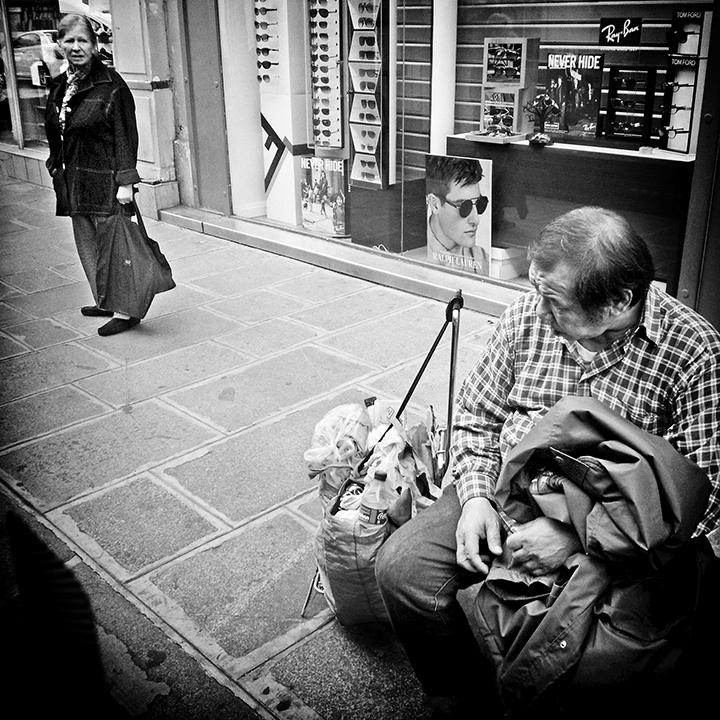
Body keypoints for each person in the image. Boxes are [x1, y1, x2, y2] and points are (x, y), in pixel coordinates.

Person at [376, 206, 720, 718]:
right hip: (506, 489)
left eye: (555, 300)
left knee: (595, 663)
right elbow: (475, 414)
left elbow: (702, 501)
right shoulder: (526, 317)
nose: (538, 308)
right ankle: (454, 696)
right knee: (403, 572)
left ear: (619, 301)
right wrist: (473, 499)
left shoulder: (693, 352)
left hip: (618, 532)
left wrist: (578, 538)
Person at [45, 14, 141, 337]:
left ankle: (126, 310)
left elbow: (126, 134)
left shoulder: (112, 85)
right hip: (74, 180)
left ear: (95, 45)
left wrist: (126, 181)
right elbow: (57, 128)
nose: (76, 47)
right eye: (69, 41)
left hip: (105, 181)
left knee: (114, 247)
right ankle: (103, 299)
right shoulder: (62, 85)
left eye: (82, 40)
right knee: (87, 244)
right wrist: (54, 163)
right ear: (59, 45)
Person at [426, 155, 490, 276]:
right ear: (434, 205)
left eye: (479, 204)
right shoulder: (415, 256)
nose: (475, 220)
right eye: (464, 207)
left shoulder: (483, 261)